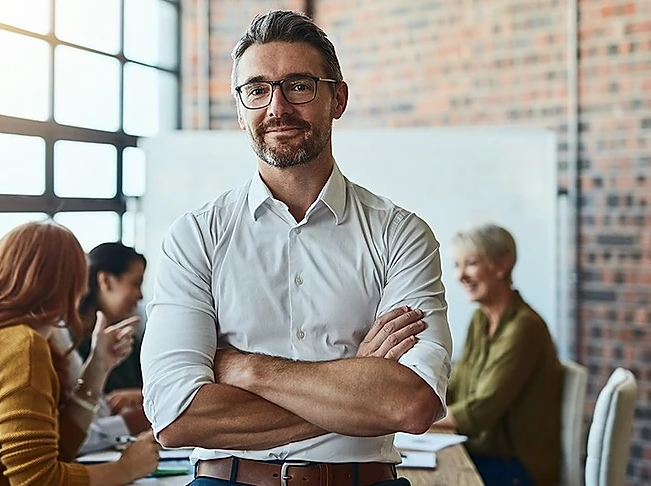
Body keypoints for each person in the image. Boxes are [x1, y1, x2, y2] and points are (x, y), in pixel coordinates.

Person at [141, 10, 452, 486]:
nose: (277, 107)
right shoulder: (196, 236)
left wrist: (244, 369)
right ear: (241, 106)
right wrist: (356, 381)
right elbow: (176, 416)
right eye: (257, 90)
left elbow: (409, 404)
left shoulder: (400, 234)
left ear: (338, 98)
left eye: (299, 86)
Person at [0, 221, 159, 485]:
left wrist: (98, 365)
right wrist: (126, 469)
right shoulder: (23, 346)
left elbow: (56, 450)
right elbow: (37, 480)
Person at [435, 224, 562, 486]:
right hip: (483, 454)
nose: (460, 276)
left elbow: (480, 412)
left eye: (471, 263)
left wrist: (416, 418)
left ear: (502, 264)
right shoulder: (480, 321)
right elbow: (456, 387)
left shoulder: (524, 328)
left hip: (515, 469)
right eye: (457, 265)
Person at [75, 242, 150, 439]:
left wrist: (139, 395)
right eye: (135, 283)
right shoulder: (68, 343)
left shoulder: (128, 338)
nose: (140, 296)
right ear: (106, 281)